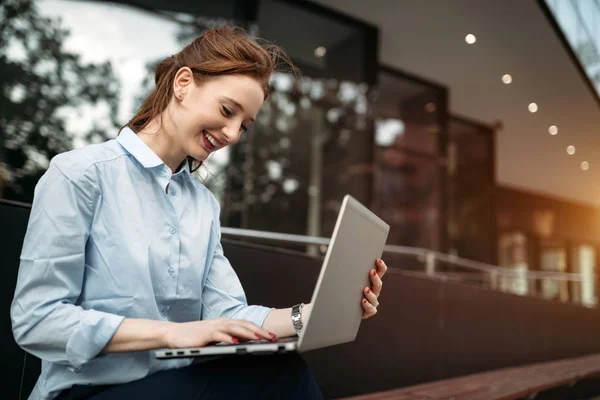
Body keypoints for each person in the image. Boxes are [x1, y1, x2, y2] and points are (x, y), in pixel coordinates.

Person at [11, 26, 389, 400]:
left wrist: (316, 313)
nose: (231, 133)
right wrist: (171, 333)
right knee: (280, 377)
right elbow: (37, 320)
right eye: (227, 110)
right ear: (183, 83)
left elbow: (230, 315)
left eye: (244, 124)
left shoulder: (203, 206)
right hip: (87, 392)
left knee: (279, 368)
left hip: (174, 386)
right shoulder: (81, 174)